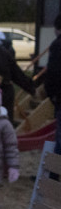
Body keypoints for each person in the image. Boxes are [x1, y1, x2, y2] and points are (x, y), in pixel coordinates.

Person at [44, 13, 61, 156]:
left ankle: (55, 174)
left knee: (59, 140)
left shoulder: (57, 45)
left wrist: (51, 94)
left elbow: (53, 72)